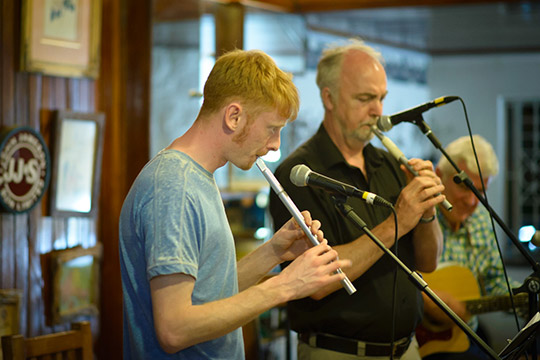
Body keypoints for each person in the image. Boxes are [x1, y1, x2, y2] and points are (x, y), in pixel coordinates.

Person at [119, 49, 352, 359]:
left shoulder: (197, 177)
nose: (275, 145)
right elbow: (174, 329)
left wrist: (274, 252)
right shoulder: (174, 185)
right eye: (272, 128)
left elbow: (209, 294)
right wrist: (285, 286)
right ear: (233, 116)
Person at [269, 38, 445, 359]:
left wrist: (426, 211)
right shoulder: (299, 172)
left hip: (407, 348)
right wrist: (399, 221)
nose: (377, 111)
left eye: (381, 98)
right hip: (339, 350)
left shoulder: (390, 163)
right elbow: (318, 282)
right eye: (365, 98)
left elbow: (429, 262)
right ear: (329, 98)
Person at [419, 135, 519, 360]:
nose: (473, 201)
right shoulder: (415, 215)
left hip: (462, 337)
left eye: (481, 192)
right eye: (465, 187)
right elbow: (389, 278)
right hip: (417, 340)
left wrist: (530, 297)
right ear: (438, 176)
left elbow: (494, 283)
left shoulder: (483, 220)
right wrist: (425, 300)